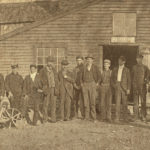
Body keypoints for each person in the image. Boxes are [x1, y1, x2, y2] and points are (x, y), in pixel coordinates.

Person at [80, 54, 101, 122]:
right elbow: (80, 77)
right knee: (86, 101)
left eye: (90, 59)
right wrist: (82, 84)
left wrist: (97, 83)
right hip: (85, 85)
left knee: (92, 101)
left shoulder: (95, 67)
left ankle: (94, 117)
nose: (89, 60)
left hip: (92, 84)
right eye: (88, 59)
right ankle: (86, 117)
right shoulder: (83, 67)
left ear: (92, 60)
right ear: (86, 60)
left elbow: (99, 77)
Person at [111, 56, 131, 123]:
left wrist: (128, 89)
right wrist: (114, 85)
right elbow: (112, 79)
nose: (119, 61)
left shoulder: (127, 70)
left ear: (124, 62)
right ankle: (117, 118)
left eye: (121, 61)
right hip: (117, 86)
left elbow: (129, 80)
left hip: (124, 88)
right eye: (119, 60)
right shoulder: (115, 69)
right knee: (117, 103)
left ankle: (125, 118)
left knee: (125, 103)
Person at [39, 56, 59, 123]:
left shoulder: (54, 70)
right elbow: (40, 80)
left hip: (53, 89)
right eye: (49, 62)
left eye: (52, 62)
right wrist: (44, 86)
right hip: (47, 89)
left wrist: (56, 88)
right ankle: (45, 119)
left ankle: (53, 119)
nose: (51, 63)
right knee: (45, 105)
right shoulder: (42, 70)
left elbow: (57, 80)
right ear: (47, 62)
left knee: (53, 104)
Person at [132, 54, 150, 122]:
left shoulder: (145, 67)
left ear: (142, 59)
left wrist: (146, 81)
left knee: (143, 102)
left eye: (140, 58)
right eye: (137, 58)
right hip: (135, 87)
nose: (138, 60)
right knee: (135, 102)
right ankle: (135, 116)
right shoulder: (134, 67)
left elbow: (148, 76)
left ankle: (143, 116)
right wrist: (133, 85)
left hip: (142, 88)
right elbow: (132, 77)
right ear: (136, 59)